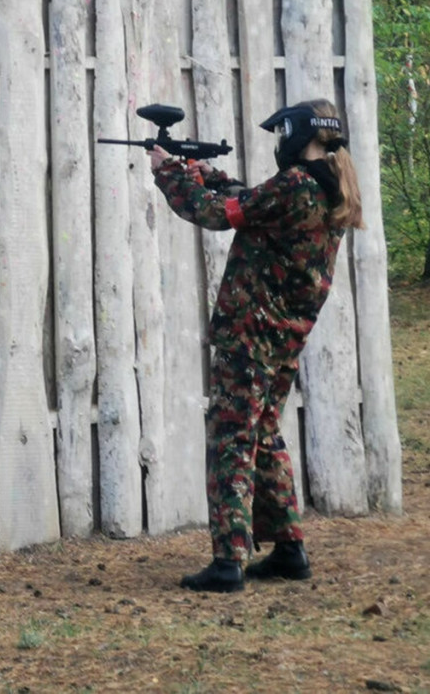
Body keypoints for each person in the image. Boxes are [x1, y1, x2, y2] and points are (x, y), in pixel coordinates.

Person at [147, 99, 365, 593]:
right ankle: (289, 549)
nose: (277, 143)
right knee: (263, 434)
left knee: (232, 439)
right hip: (283, 335)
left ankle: (228, 561)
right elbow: (252, 204)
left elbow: (219, 215)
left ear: (297, 134)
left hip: (251, 334)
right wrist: (212, 174)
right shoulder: (328, 186)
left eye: (281, 134)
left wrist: (170, 175)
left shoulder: (295, 184)